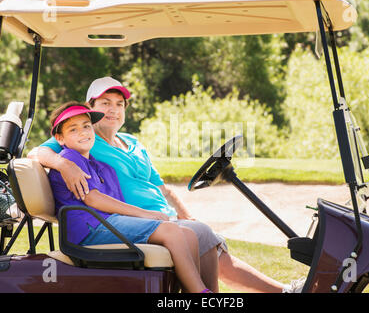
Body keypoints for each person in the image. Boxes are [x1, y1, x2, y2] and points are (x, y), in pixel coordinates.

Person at [28, 77, 303, 293]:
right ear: (91, 107)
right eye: (105, 103)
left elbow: (162, 188)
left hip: (150, 217)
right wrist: (63, 165)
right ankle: (274, 292)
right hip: (122, 220)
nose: (113, 110)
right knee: (198, 234)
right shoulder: (82, 139)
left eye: (119, 104)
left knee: (196, 230)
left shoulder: (131, 143)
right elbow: (37, 153)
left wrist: (185, 215)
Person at [46, 101, 212, 293]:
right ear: (60, 138)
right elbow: (93, 199)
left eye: (86, 126)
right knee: (171, 231)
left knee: (188, 235)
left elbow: (114, 203)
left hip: (105, 224)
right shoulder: (70, 158)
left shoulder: (101, 166)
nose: (83, 132)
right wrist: (144, 214)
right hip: (88, 231)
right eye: (73, 129)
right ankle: (201, 293)